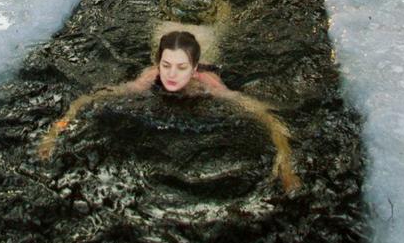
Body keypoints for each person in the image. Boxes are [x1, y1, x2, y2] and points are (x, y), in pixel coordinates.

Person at [39, 29, 301, 193]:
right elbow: (88, 100)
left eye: (181, 68)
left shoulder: (209, 84)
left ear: (195, 68)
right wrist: (54, 133)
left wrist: (285, 164)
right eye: (166, 65)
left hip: (205, 41)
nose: (171, 76)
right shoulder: (150, 77)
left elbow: (266, 117)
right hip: (171, 37)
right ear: (158, 63)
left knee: (215, 24)